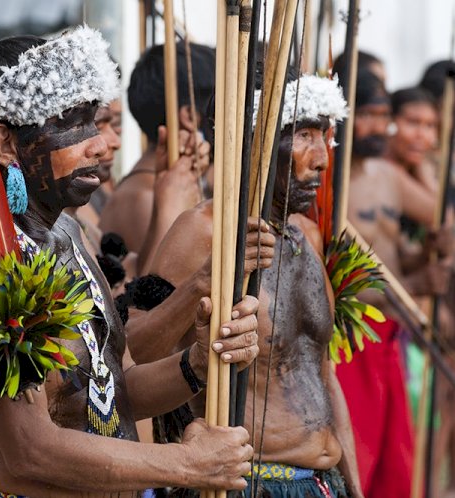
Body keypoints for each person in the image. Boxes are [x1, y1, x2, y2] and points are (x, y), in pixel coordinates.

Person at [0, 27, 262, 496]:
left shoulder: (66, 233)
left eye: (93, 122)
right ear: (6, 145)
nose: (99, 145)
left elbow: (114, 392)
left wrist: (198, 363)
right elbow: (30, 448)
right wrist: (187, 464)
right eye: (70, 125)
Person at [149, 72, 362, 497]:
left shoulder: (305, 234)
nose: (321, 158)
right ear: (256, 140)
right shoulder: (202, 232)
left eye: (324, 136)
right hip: (249, 483)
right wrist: (201, 282)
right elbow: (136, 350)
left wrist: (353, 487)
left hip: (322, 481)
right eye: (303, 134)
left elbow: (324, 373)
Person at [334, 69, 450, 498]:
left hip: (388, 335)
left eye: (383, 116)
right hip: (351, 337)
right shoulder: (330, 181)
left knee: (395, 462)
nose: (377, 127)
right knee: (359, 458)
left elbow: (443, 220)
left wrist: (430, 249)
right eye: (365, 114)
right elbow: (342, 283)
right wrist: (418, 278)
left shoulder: (387, 173)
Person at [100, 42, 214, 273]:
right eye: (218, 108)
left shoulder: (163, 187)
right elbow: (158, 293)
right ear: (190, 117)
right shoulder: (144, 198)